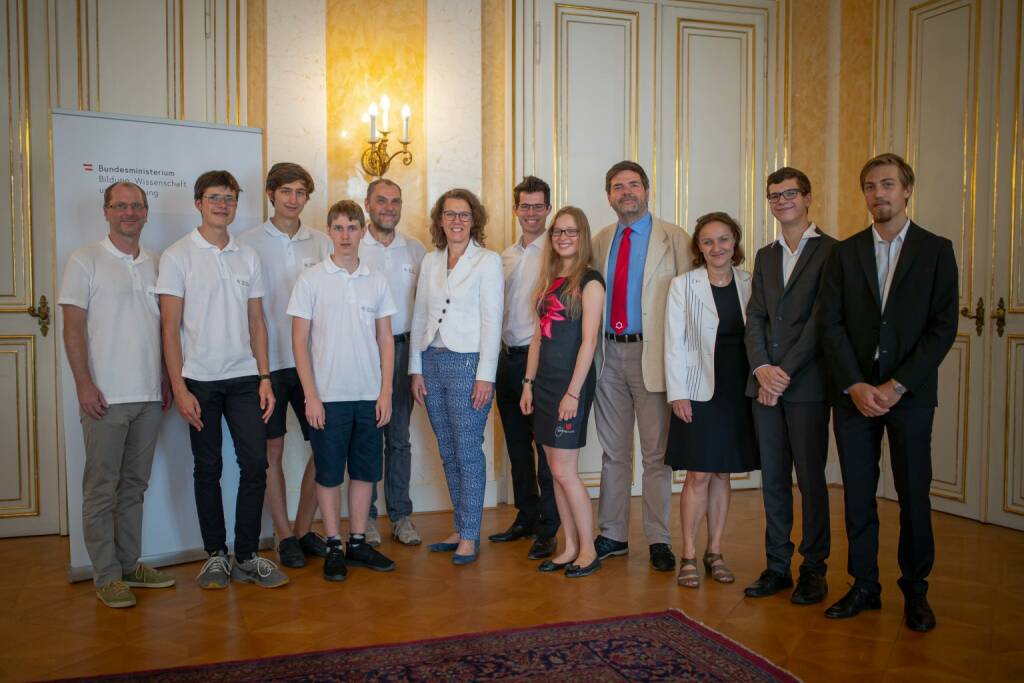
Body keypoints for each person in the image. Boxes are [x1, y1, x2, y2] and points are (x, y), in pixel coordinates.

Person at [819, 153, 958, 632]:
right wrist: (856, 384)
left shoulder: (937, 250)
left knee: (913, 496)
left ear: (906, 190)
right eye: (870, 187)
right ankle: (863, 586)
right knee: (858, 495)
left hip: (909, 397)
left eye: (887, 185)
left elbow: (942, 329)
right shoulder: (844, 252)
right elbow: (830, 325)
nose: (878, 194)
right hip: (854, 396)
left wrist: (897, 385)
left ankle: (916, 592)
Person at [157, 170, 288, 590]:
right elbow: (169, 327)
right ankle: (215, 554)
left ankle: (247, 556)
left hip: (245, 378)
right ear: (198, 202)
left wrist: (265, 376)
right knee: (207, 467)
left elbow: (257, 322)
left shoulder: (247, 255)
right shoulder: (178, 255)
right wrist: (179, 387)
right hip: (199, 380)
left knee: (255, 464)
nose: (222, 205)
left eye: (229, 198)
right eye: (214, 197)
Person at [58, 181, 175, 608]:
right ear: (105, 212)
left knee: (134, 487)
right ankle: (105, 575)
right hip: (104, 397)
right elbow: (73, 329)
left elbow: (163, 331)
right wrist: (83, 384)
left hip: (148, 395)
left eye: (136, 206)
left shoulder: (158, 264)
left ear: (146, 212)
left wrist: (165, 377)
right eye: (120, 206)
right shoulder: (84, 261)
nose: (129, 212)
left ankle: (129, 564)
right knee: (101, 489)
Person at [289, 200, 398, 582]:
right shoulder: (311, 279)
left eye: (353, 228)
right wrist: (311, 396)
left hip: (368, 394)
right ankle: (333, 543)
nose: (346, 235)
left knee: (366, 472)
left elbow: (386, 340)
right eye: (339, 228)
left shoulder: (377, 279)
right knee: (330, 474)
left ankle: (356, 542)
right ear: (329, 231)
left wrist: (385, 392)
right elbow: (299, 343)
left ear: (362, 230)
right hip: (328, 396)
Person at [591, 161, 692, 572]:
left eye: (633, 185)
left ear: (647, 190)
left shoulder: (676, 239)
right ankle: (612, 534)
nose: (626, 192)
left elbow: (690, 305)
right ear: (609, 196)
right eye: (617, 186)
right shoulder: (599, 241)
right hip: (607, 356)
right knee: (613, 454)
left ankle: (658, 539)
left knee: (656, 456)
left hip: (653, 357)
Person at [743, 167, 836, 605]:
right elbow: (755, 317)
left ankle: (814, 569)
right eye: (774, 196)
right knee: (774, 479)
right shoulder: (764, 255)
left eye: (790, 194)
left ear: (808, 198)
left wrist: (782, 374)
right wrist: (762, 368)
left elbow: (822, 324)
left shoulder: (833, 253)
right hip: (765, 386)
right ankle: (777, 565)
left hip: (807, 387)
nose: (782, 201)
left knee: (811, 480)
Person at [237, 162, 333, 569]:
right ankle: (282, 535)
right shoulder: (247, 243)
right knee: (271, 449)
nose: (293, 200)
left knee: (325, 446)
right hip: (270, 362)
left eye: (300, 193)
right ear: (271, 194)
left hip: (315, 361)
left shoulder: (323, 242)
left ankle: (303, 527)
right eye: (286, 191)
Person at [409, 188, 503, 565]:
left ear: (473, 220)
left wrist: (486, 376)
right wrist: (415, 368)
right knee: (447, 450)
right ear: (441, 220)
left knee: (467, 450)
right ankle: (460, 525)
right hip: (431, 363)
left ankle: (470, 534)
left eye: (464, 215)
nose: (457, 221)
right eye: (450, 214)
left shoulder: (488, 261)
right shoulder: (431, 262)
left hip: (469, 365)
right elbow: (418, 316)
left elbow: (491, 321)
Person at [664, 212, 757, 588]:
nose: (716, 247)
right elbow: (674, 343)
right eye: (707, 241)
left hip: (740, 388)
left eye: (723, 239)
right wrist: (678, 393)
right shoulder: (683, 285)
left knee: (723, 472)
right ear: (698, 249)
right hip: (698, 389)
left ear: (734, 242)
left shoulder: (751, 282)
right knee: (698, 473)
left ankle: (714, 551)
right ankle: (687, 553)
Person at [520, 207, 605, 578]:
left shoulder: (591, 281)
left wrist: (573, 394)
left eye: (570, 231)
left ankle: (589, 549)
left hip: (572, 386)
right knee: (554, 472)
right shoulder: (550, 278)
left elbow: (589, 343)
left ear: (582, 236)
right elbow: (539, 336)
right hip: (545, 385)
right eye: (557, 232)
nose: (563, 237)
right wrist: (527, 383)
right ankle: (569, 546)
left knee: (566, 472)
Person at [491, 175, 560, 559]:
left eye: (538, 206)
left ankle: (549, 528)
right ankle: (525, 516)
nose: (531, 212)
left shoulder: (558, 251)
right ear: (515, 209)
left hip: (543, 363)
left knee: (545, 448)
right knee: (517, 446)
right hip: (506, 360)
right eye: (525, 205)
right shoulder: (504, 256)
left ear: (547, 208)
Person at [360, 178, 427, 547]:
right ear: (367, 204)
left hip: (403, 352)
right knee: (368, 436)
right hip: (364, 352)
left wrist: (417, 363)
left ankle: (401, 516)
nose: (389, 207)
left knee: (399, 438)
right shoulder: (355, 244)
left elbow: (423, 310)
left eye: (395, 201)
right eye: (381, 200)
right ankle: (366, 517)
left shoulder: (415, 251)